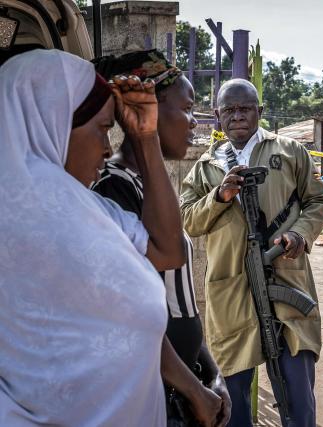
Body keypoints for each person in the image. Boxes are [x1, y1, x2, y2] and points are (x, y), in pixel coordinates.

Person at [0, 49, 219, 426]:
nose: (106, 147)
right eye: (102, 129)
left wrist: (146, 137)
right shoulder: (98, 196)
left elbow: (169, 252)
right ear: (53, 123)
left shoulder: (88, 210)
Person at [91, 50, 231, 425]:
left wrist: (209, 370)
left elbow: (180, 304)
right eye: (186, 109)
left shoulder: (152, 188)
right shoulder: (114, 190)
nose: (194, 124)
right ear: (150, 106)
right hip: (154, 391)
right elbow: (131, 314)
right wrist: (193, 388)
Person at [180, 79, 323, 427]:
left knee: (298, 399)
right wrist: (219, 197)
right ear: (217, 116)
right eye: (229, 110)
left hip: (287, 283)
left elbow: (319, 200)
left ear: (259, 112)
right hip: (231, 288)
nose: (237, 116)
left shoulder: (290, 152)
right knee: (233, 401)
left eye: (244, 108)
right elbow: (187, 220)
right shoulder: (205, 167)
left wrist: (299, 234)